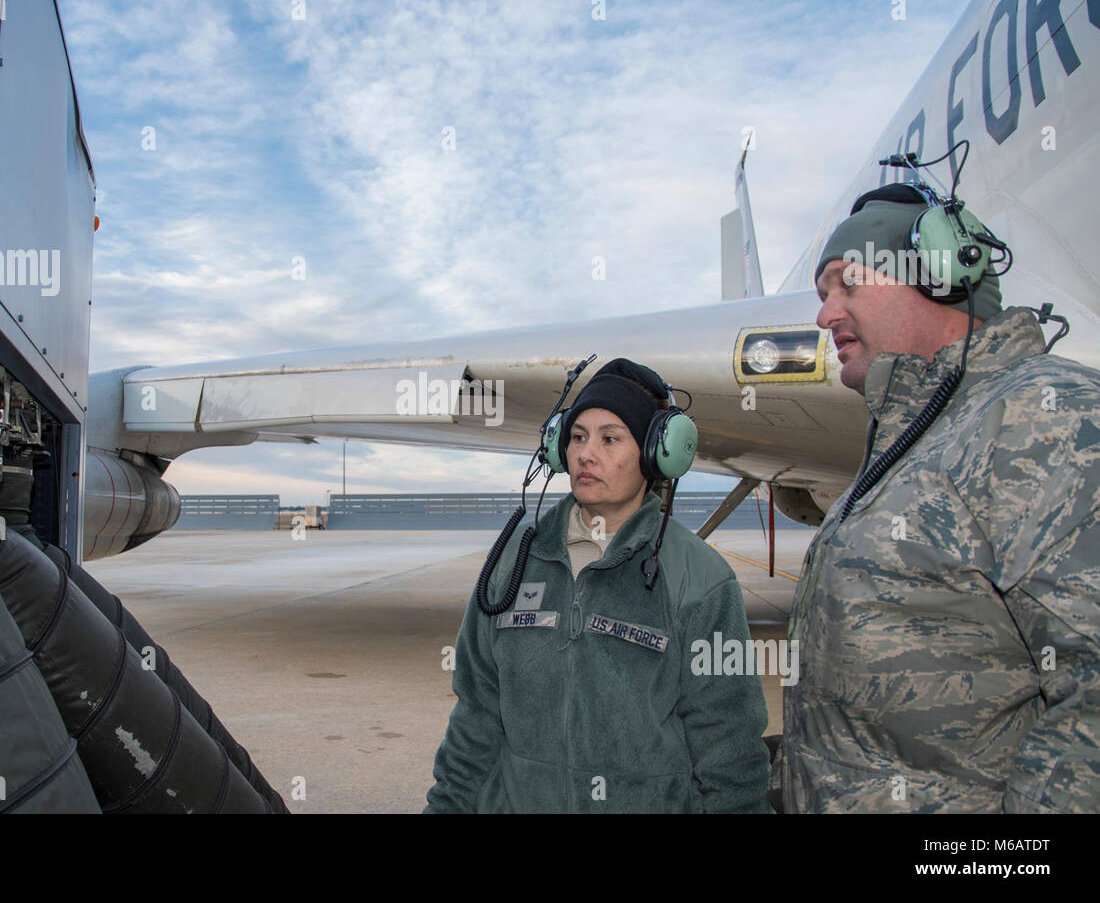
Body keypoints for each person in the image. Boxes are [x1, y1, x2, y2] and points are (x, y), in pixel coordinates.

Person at [775, 183, 1100, 813]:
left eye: (848, 285)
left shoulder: (1040, 418)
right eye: (822, 295)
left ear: (939, 273)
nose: (823, 316)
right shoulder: (914, 441)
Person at [425, 359, 770, 813]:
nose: (586, 454)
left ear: (655, 454)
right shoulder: (514, 558)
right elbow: (476, 713)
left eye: (610, 438)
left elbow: (729, 743)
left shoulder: (699, 577)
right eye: (577, 437)